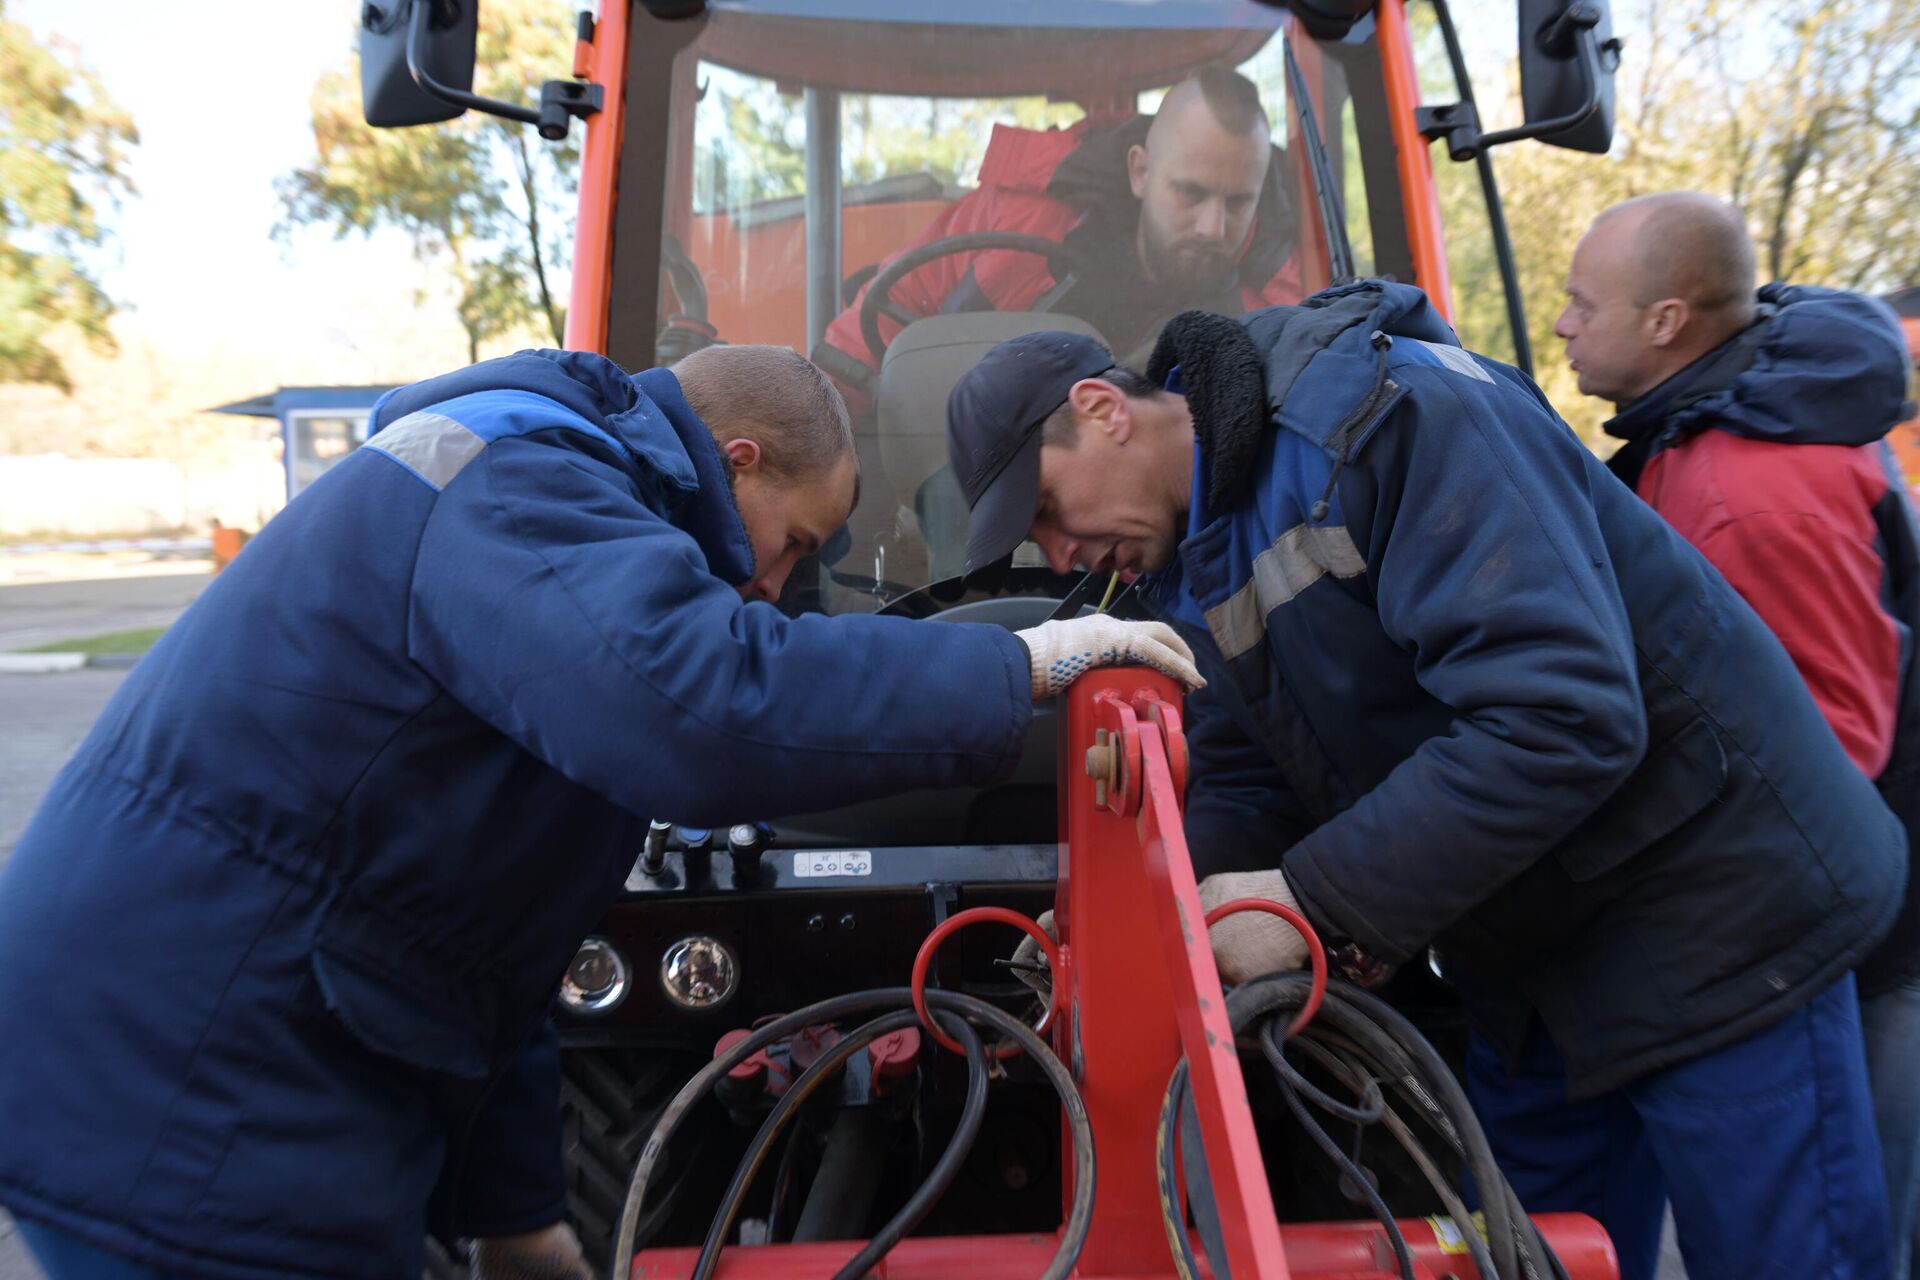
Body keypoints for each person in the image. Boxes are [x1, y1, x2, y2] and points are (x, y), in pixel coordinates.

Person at [0, 343, 1200, 1280]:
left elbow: (493, 939)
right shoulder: (519, 479)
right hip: (186, 1077)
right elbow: (708, 702)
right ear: (734, 459)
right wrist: (1028, 664)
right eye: (793, 547)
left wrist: (523, 1221)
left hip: (226, 1058)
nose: (775, 588)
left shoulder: (552, 535)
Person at [948, 304, 1905, 1280]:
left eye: (1049, 511)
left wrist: (1311, 898)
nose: (1060, 556)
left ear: (1104, 409)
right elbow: (1247, 770)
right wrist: (1137, 920)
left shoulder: (1390, 419)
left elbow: (1563, 714)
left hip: (1717, 918)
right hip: (1531, 961)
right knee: (1518, 1257)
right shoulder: (1194, 559)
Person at [1557, 191, 1920, 1276]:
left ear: (1667, 320)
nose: (1565, 323)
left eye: (1584, 303)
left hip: (1854, 939)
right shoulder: (1710, 428)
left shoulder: (1745, 486)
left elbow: (1829, 744)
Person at [812, 66, 1302, 410]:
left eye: (1238, 203)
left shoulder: (1281, 307)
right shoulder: (1015, 225)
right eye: (1190, 193)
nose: (1212, 228)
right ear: (1140, 172)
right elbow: (869, 335)